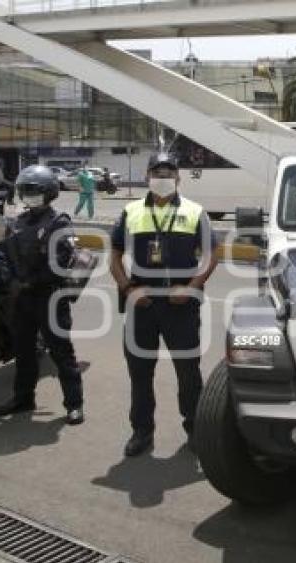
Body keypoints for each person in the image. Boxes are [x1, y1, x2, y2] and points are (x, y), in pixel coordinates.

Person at [110, 152, 218, 456]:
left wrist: (191, 288)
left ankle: (195, 429)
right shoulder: (130, 211)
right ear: (147, 177)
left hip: (180, 307)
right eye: (157, 173)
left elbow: (212, 256)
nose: (163, 178)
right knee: (140, 373)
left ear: (178, 179)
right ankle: (142, 432)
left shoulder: (196, 212)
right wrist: (128, 289)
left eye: (169, 173)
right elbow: (115, 256)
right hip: (141, 305)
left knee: (188, 371)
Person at [0, 165, 85, 425]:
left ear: (49, 193)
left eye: (34, 191)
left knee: (61, 353)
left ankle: (74, 404)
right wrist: (9, 276)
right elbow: (4, 252)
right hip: (22, 300)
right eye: (26, 191)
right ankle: (23, 398)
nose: (29, 195)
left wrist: (30, 281)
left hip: (49, 298)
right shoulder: (18, 222)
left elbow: (60, 263)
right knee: (24, 352)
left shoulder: (60, 223)